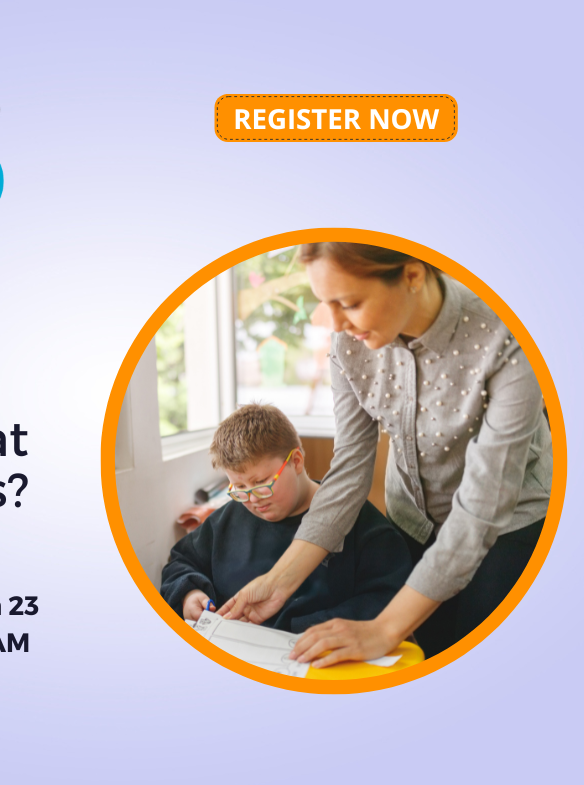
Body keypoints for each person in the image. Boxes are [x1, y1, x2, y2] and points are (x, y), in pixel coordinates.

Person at [219, 244, 552, 666]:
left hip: (507, 525)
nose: (336, 324)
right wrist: (278, 582)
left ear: (412, 275)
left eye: (351, 303)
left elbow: (482, 507)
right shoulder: (348, 344)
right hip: (412, 518)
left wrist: (383, 628)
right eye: (327, 303)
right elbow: (348, 471)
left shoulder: (509, 335)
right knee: (427, 653)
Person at [161, 403, 411, 632]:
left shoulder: (362, 524)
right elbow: (182, 562)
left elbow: (391, 597)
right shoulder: (225, 522)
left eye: (262, 482)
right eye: (239, 487)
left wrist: (301, 628)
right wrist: (189, 593)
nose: (253, 498)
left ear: (297, 461)